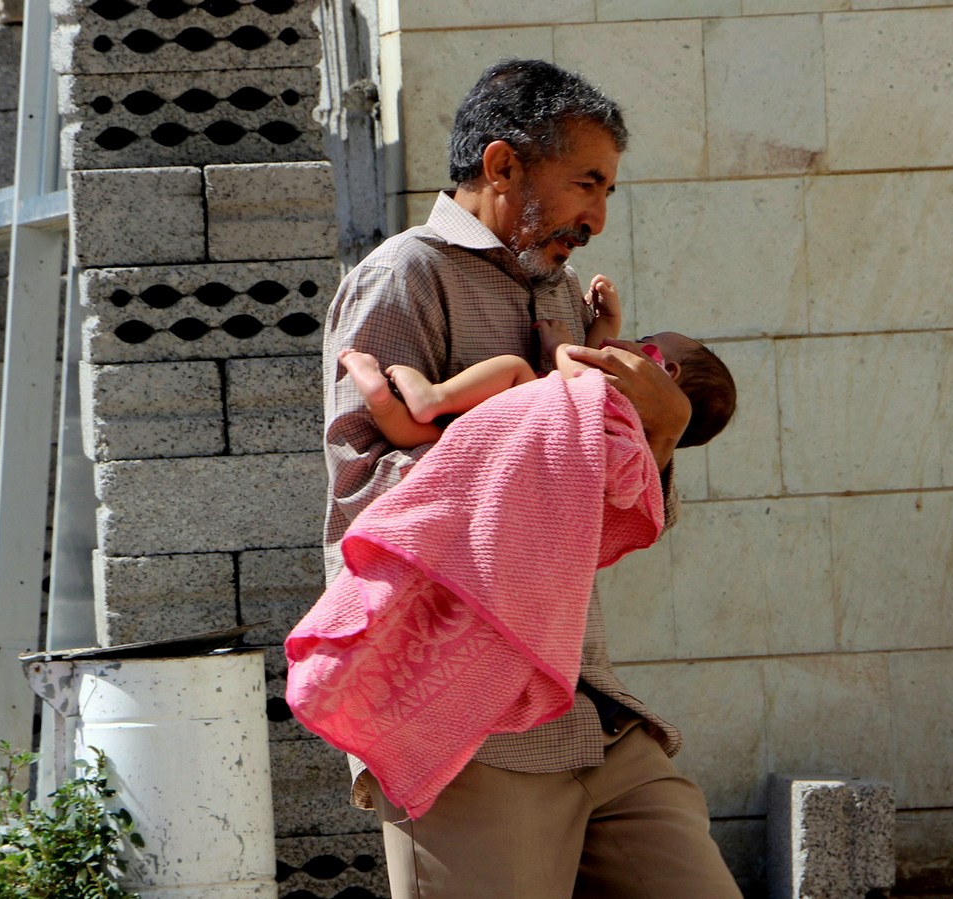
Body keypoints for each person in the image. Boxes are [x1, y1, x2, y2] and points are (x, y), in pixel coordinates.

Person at [319, 57, 745, 898]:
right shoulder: (404, 276)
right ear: (502, 164)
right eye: (588, 183)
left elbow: (609, 508)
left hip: (592, 707)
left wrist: (658, 436)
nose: (597, 216)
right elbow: (371, 502)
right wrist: (554, 429)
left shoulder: (560, 295)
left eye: (610, 193)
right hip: (465, 729)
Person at [338, 277, 736, 451]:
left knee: (514, 369)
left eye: (646, 342)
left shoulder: (629, 402)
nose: (635, 343)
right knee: (435, 442)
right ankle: (382, 401)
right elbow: (596, 359)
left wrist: (560, 347)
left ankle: (432, 397)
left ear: (664, 369)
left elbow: (581, 369)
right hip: (517, 444)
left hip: (529, 419)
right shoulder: (634, 439)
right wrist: (607, 323)